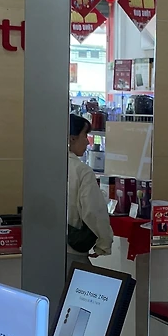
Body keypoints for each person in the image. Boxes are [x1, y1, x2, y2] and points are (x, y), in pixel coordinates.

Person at [67, 114, 113, 275]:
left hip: (42, 245)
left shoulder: (42, 165)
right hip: (72, 247)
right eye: (85, 135)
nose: (87, 142)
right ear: (72, 138)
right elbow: (93, 211)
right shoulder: (81, 171)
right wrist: (103, 244)